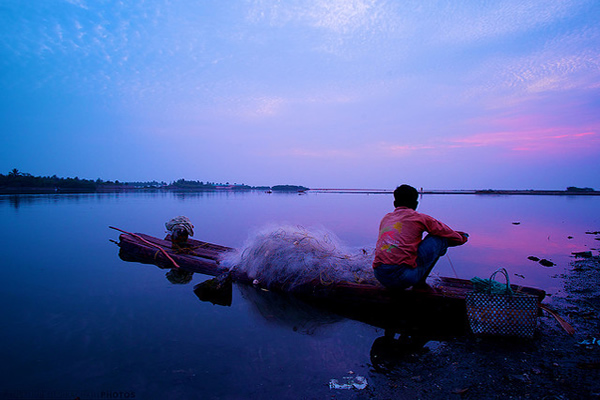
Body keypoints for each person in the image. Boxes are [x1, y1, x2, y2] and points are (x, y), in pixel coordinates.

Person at [373, 184, 468, 290]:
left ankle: (412, 278)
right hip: (402, 277)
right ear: (416, 204)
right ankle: (420, 283)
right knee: (439, 238)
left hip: (379, 275)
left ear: (395, 203)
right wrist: (462, 237)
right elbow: (453, 236)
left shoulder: (386, 218)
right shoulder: (420, 218)